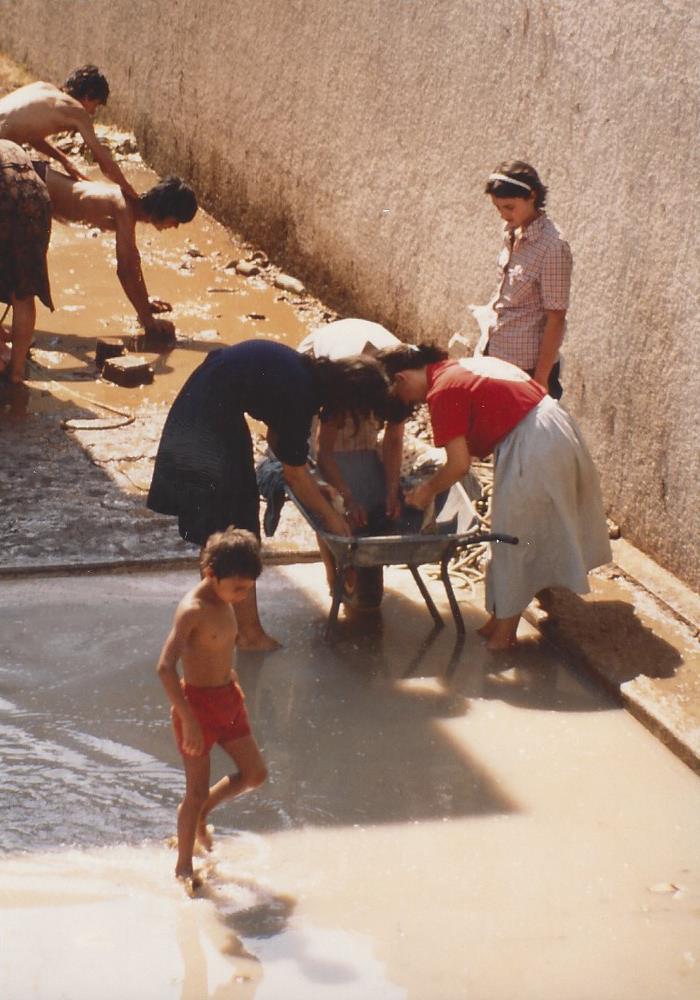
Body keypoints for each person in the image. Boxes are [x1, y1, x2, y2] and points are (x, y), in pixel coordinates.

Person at [148, 338, 392, 648]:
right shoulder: (300, 394)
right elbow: (293, 472)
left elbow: (281, 444)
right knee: (235, 531)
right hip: (207, 424)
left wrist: (309, 484)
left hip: (206, 409)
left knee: (223, 528)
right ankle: (247, 634)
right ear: (348, 397)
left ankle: (228, 626)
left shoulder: (304, 375)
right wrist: (332, 519)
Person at [377, 344, 611, 650]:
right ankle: (500, 619)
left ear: (400, 379)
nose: (412, 404)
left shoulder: (442, 391)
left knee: (514, 535)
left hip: (534, 441)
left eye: (403, 398)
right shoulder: (458, 369)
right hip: (548, 429)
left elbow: (459, 465)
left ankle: (505, 634)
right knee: (514, 528)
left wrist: (426, 491)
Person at [156, 527, 268, 891]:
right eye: (237, 588)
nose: (242, 594)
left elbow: (217, 649)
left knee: (254, 774)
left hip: (227, 699)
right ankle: (184, 865)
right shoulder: (193, 610)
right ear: (210, 574)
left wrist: (229, 676)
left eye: (248, 587)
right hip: (197, 709)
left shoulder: (226, 600)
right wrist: (186, 718)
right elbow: (165, 667)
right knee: (195, 791)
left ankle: (204, 813)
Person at [41, 166, 197, 339]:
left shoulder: (128, 204)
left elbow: (133, 261)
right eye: (177, 221)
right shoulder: (124, 208)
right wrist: (149, 322)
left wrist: (145, 302)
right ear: (166, 211)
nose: (175, 227)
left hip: (40, 180)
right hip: (33, 182)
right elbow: (126, 270)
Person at [479, 160, 572, 399]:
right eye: (498, 208)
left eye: (509, 207)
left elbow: (556, 318)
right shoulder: (511, 231)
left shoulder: (553, 246)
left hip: (525, 369)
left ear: (531, 196)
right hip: (496, 354)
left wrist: (540, 381)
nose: (503, 214)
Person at [0, 65, 138, 199]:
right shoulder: (77, 111)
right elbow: (104, 161)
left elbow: (29, 135)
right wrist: (132, 192)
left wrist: (64, 161)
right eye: (95, 105)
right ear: (89, 95)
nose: (93, 112)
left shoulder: (42, 87)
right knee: (42, 194)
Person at [0, 140, 53, 383]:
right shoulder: (9, 144)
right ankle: (17, 373)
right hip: (37, 194)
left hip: (4, 191)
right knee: (24, 290)